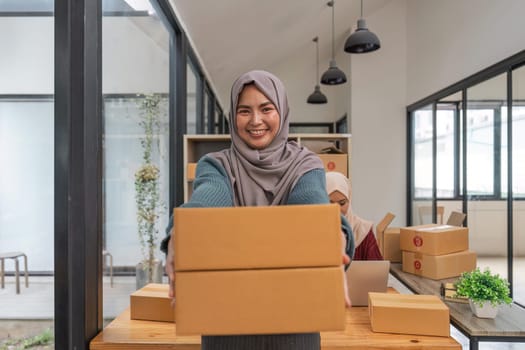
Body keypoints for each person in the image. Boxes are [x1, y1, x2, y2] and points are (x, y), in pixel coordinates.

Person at [160, 70, 354, 350]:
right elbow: (207, 199)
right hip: (226, 332)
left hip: (295, 331)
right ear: (232, 116)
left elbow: (311, 201)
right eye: (244, 111)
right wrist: (184, 230)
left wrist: (331, 233)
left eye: (266, 109)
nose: (255, 121)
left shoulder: (305, 164)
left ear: (282, 111)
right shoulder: (216, 165)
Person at [325, 171, 383, 261]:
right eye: (330, 203)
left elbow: (377, 269)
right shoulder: (312, 231)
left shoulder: (363, 230)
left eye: (342, 203)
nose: (337, 209)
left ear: (349, 200)